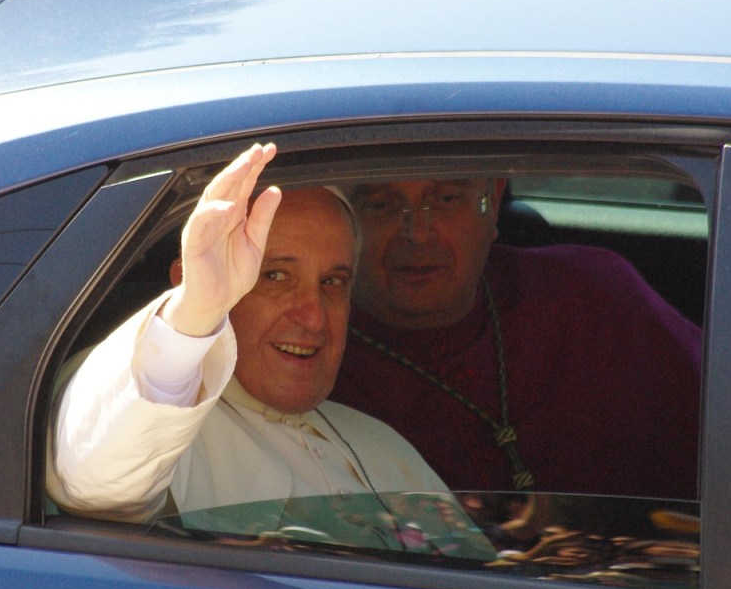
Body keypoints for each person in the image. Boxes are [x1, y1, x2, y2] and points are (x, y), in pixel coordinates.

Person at [45, 144, 448, 536]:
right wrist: (195, 312)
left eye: (333, 282)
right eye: (274, 276)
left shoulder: (383, 444)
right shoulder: (139, 391)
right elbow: (93, 483)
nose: (313, 317)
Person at [330, 177, 702, 500]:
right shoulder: (304, 353)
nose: (418, 233)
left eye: (446, 199)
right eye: (379, 205)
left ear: (492, 201)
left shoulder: (599, 295)